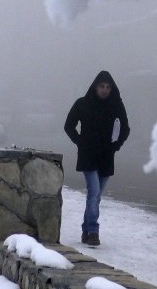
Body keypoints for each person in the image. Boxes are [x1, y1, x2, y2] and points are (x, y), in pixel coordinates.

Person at [64, 70, 130, 246]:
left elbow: (125, 128)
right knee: (94, 192)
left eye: (108, 87)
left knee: (96, 195)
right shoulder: (83, 104)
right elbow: (69, 125)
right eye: (102, 86)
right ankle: (93, 230)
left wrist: (116, 145)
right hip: (88, 156)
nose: (104, 90)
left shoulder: (116, 105)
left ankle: (86, 230)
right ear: (95, 86)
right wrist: (80, 142)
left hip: (106, 157)